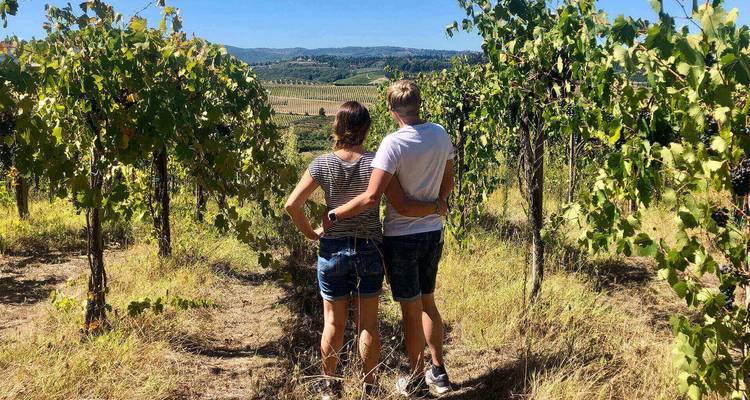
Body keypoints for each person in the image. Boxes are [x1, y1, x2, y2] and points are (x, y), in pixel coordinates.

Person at [284, 101, 445, 399]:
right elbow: (399, 202)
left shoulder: (321, 164)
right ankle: (369, 389)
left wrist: (311, 233)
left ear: (337, 126)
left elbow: (292, 204)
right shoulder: (377, 162)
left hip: (332, 249)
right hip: (369, 249)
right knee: (367, 324)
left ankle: (331, 387)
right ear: (367, 129)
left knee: (333, 322)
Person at [324, 80, 455, 397]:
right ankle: (438, 372)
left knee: (410, 311)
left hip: (402, 238)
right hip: (432, 233)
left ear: (391, 110)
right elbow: (448, 183)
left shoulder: (393, 145)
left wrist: (334, 215)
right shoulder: (440, 134)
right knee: (428, 303)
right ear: (418, 104)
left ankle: (415, 380)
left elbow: (373, 197)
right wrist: (436, 207)